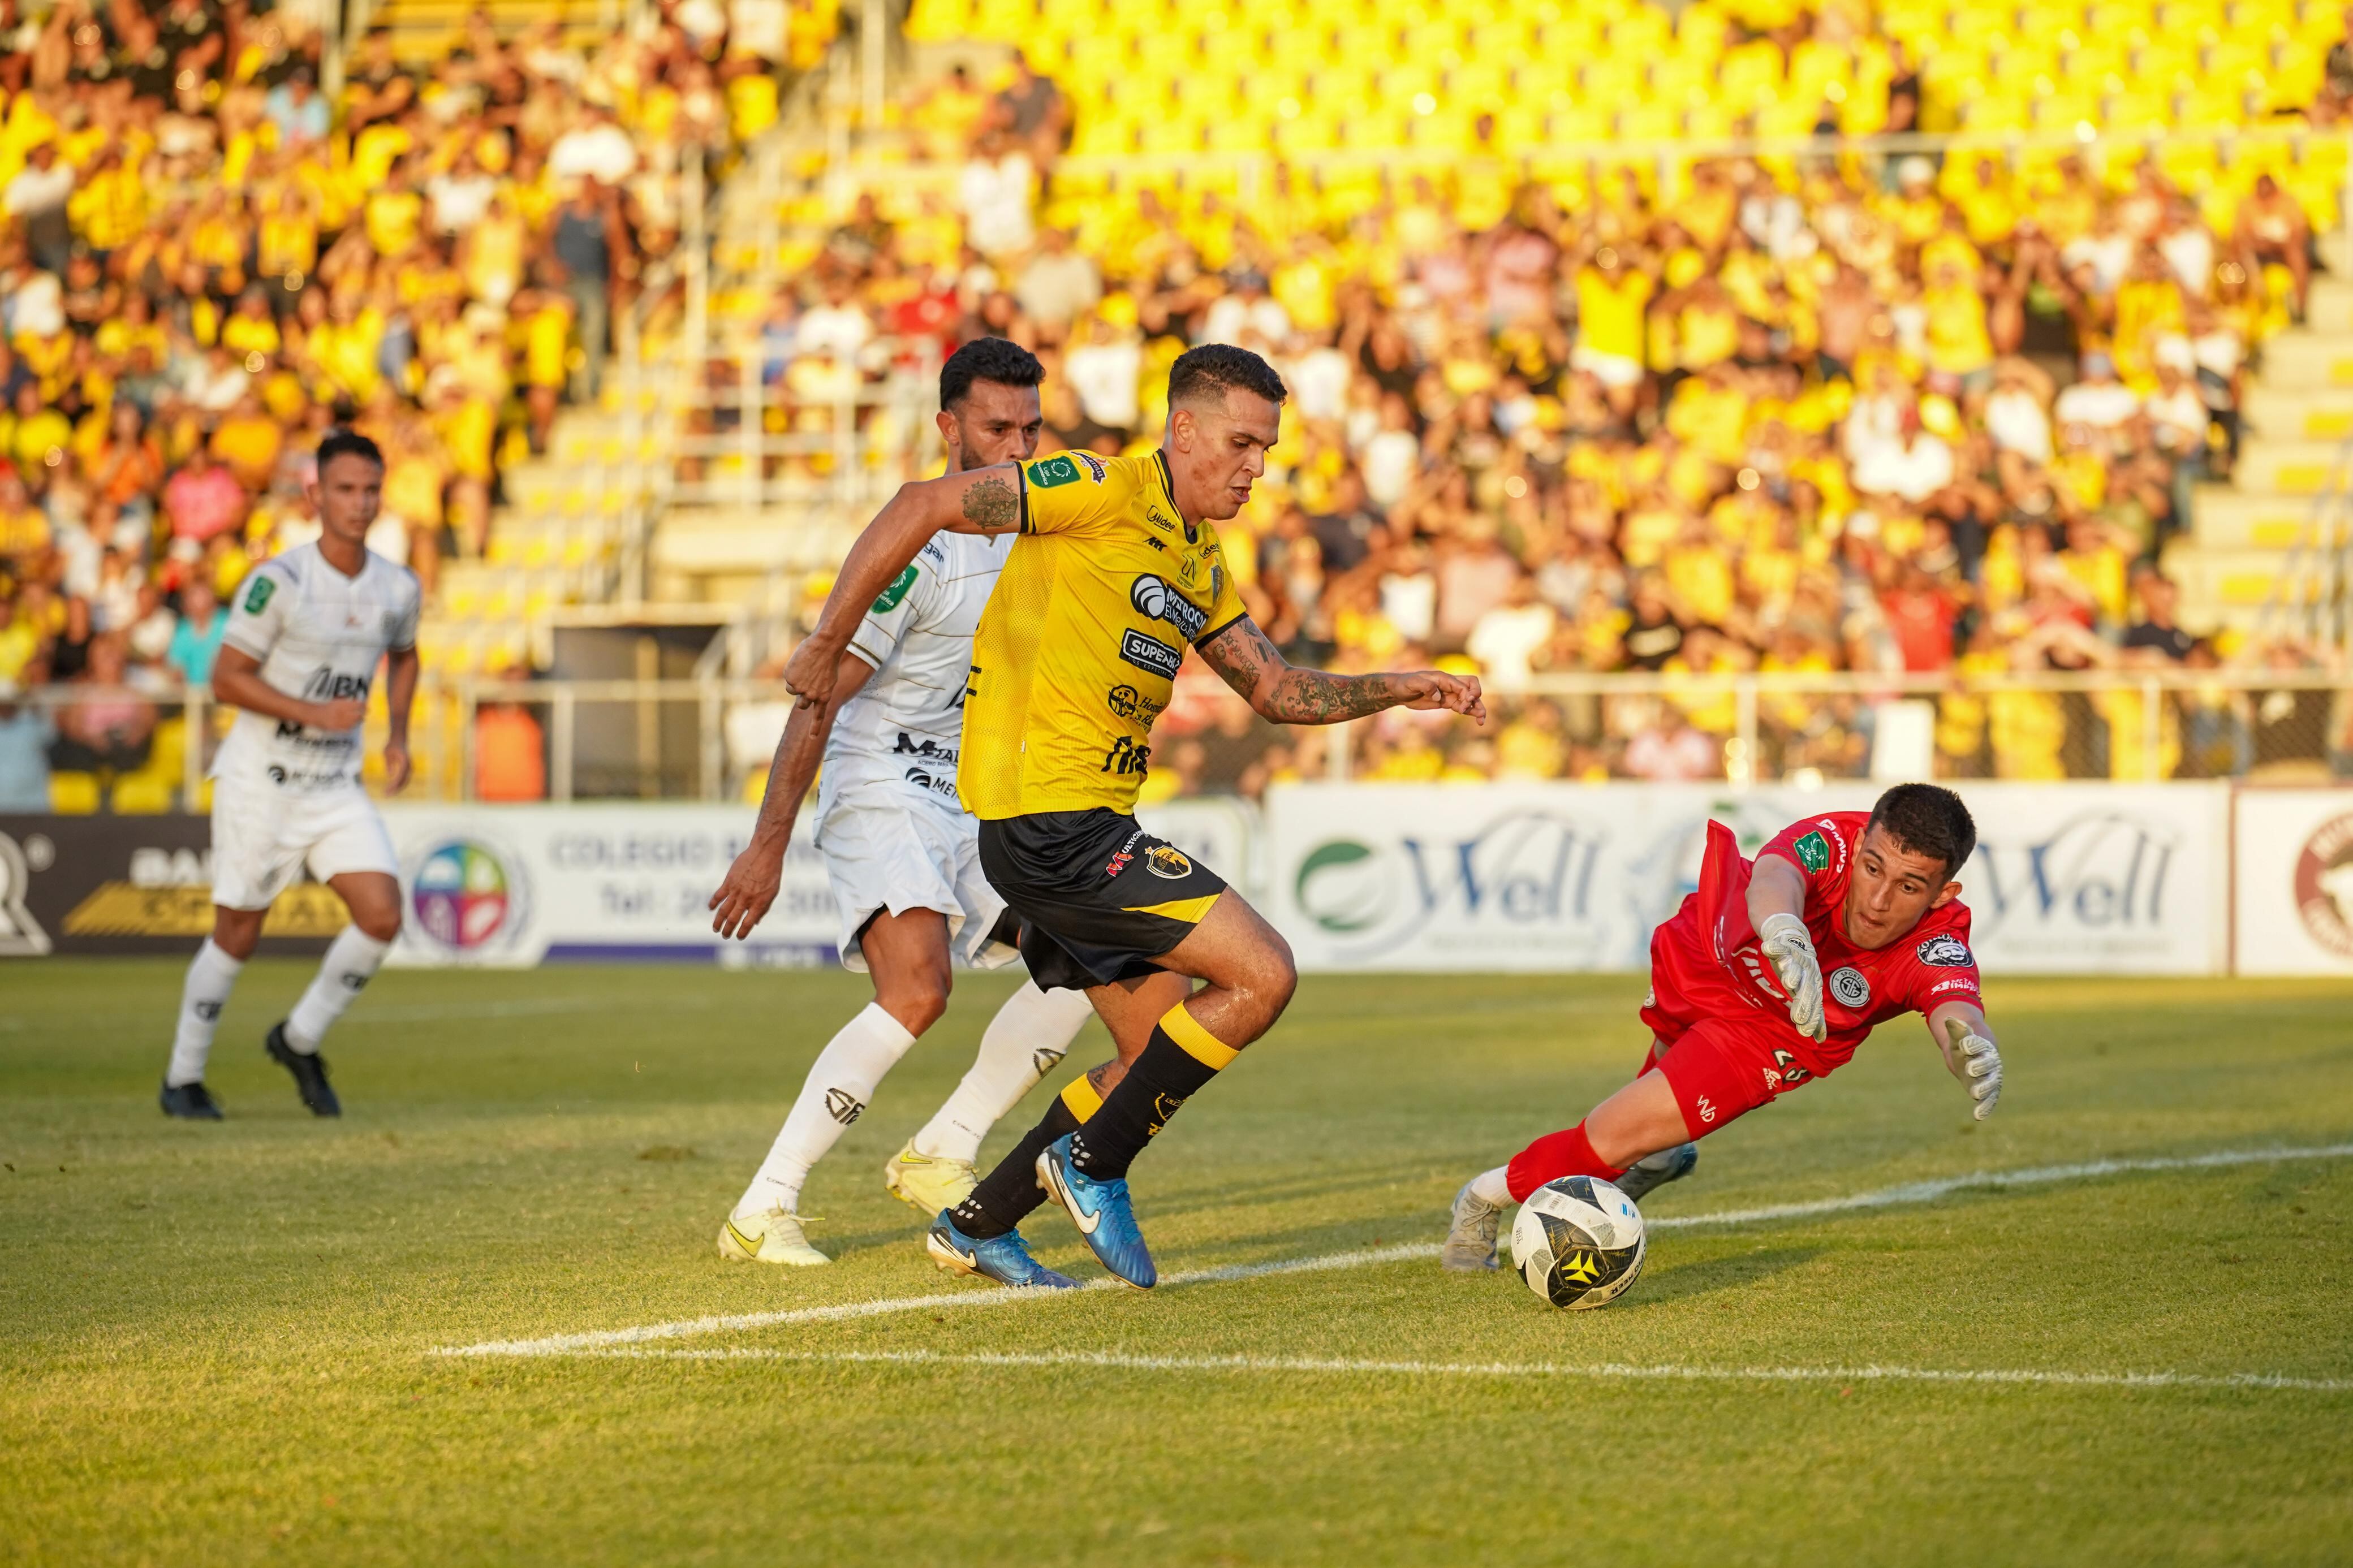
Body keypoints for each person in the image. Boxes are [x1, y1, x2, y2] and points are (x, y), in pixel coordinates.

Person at [779, 343, 1485, 1290]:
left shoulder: (1198, 556)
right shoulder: (1094, 490)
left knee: (1158, 1053)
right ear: (1182, 427)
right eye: (1239, 442)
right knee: (1262, 973)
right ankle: (1089, 1163)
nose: (1254, 467)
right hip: (1050, 823)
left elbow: (1274, 689)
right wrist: (827, 646)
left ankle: (980, 1218)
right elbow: (920, 505)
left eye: (1267, 449)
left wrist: (1403, 685)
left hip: (1078, 829)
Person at [705, 338, 1097, 1267]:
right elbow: (818, 693)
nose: (1017, 447)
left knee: (1085, 960)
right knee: (919, 986)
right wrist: (768, 845)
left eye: (1031, 428)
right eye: (998, 427)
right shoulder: (919, 554)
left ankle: (945, 1147)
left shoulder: (1043, 537)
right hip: (879, 775)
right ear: (948, 428)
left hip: (973, 793)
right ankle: (764, 1206)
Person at [1442, 784, 2006, 1272]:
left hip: (1767, 1036)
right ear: (1859, 847)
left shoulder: (1934, 945)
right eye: (1873, 868)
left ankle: (1483, 1197)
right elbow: (1774, 876)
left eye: (1908, 887)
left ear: (1941, 895)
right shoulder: (1831, 838)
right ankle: (1661, 1157)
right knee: (1659, 1082)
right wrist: (1786, 931)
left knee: (1614, 1133)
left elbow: (1955, 1010)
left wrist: (1967, 1048)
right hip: (1711, 952)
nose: (1878, 899)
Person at [158, 431, 421, 1121]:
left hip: (334, 783)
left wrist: (397, 735)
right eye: (345, 490)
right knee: (239, 932)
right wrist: (314, 711)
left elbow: (407, 654)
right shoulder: (280, 582)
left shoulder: (397, 584)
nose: (359, 504)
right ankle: (182, 1076)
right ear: (315, 496)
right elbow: (227, 678)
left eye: (370, 490)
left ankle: (297, 1039)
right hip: (261, 779)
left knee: (383, 914)